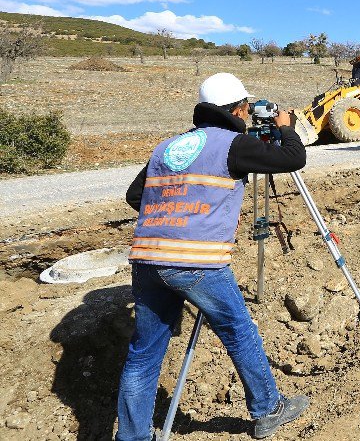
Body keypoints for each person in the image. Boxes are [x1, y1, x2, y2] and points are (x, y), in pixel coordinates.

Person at [116, 72, 309, 440]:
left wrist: (178, 211)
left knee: (143, 355)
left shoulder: (168, 147)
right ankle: (269, 409)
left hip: (147, 259)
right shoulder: (232, 144)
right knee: (238, 330)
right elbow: (292, 157)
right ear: (238, 108)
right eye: (245, 108)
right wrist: (286, 127)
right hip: (196, 262)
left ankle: (133, 436)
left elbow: (135, 196)